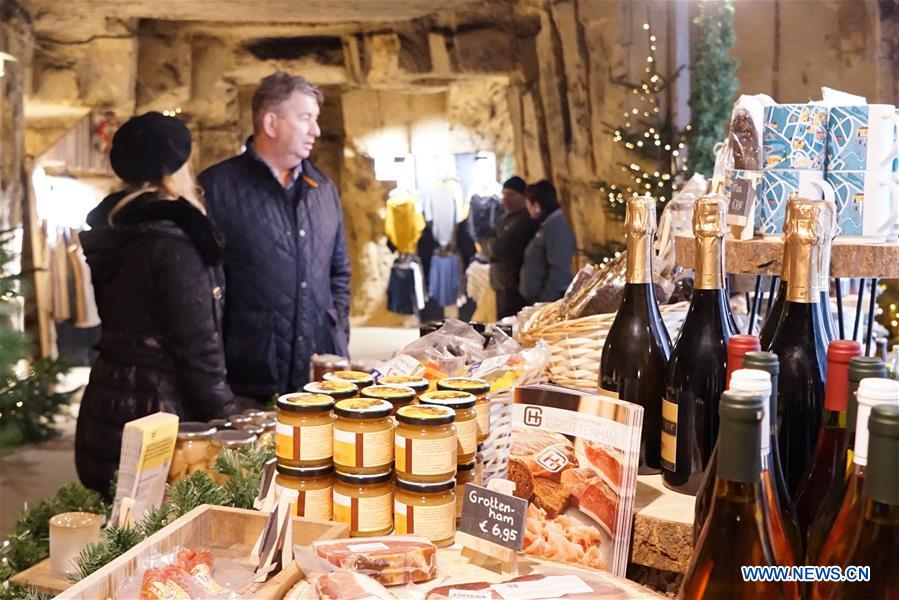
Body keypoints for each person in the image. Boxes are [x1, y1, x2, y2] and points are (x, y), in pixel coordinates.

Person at [76, 112, 240, 496]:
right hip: (161, 409)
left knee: (117, 516)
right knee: (162, 523)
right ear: (176, 167)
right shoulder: (172, 242)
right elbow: (195, 343)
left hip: (108, 396)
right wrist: (225, 418)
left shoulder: (117, 229)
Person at [199, 72, 350, 404]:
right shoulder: (216, 189)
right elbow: (200, 288)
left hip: (317, 377)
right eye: (305, 118)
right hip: (247, 378)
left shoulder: (323, 189)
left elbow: (339, 273)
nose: (316, 130)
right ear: (271, 123)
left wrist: (337, 333)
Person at [485, 176, 538, 318]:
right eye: (504, 194)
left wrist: (492, 244)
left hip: (513, 284)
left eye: (511, 194)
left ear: (523, 196)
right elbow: (487, 240)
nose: (505, 199)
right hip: (501, 282)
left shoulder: (524, 219)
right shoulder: (505, 218)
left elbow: (499, 248)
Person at [519, 180, 577, 304]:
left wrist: (545, 298)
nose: (527, 209)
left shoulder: (556, 225)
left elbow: (560, 267)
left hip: (549, 301)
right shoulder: (548, 224)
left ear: (536, 206)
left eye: (528, 204)